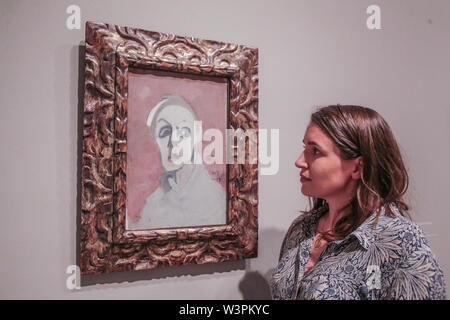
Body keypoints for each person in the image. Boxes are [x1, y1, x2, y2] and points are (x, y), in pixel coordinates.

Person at [270, 105, 446, 300]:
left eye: (316, 151)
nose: (300, 161)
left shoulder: (401, 241)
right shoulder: (301, 230)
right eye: (305, 148)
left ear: (357, 167)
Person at [128, 95, 226, 230]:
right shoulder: (154, 202)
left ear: (196, 137)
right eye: (165, 132)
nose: (174, 140)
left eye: (184, 131)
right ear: (156, 141)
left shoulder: (215, 198)